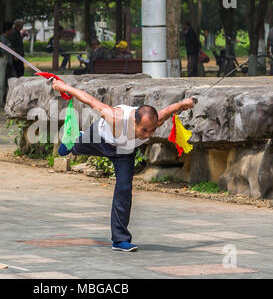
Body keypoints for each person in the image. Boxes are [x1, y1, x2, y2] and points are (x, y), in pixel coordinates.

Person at [52, 78, 195, 252]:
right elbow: (87, 99)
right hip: (100, 139)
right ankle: (73, 142)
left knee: (124, 189)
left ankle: (120, 240)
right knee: (74, 147)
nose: (147, 135)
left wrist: (186, 103)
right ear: (134, 121)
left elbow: (173, 108)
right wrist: (62, 86)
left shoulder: (156, 120)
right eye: (144, 130)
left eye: (152, 131)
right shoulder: (115, 117)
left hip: (125, 153)